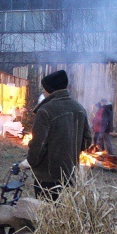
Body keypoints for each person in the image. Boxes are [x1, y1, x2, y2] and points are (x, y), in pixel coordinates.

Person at [19, 70, 91, 200]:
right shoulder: (79, 108)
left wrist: (29, 162)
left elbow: (38, 145)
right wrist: (69, 153)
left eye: (44, 89)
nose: (43, 92)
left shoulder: (45, 111)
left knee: (46, 213)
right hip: (70, 173)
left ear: (49, 90)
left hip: (47, 177)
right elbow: (87, 141)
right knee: (64, 214)